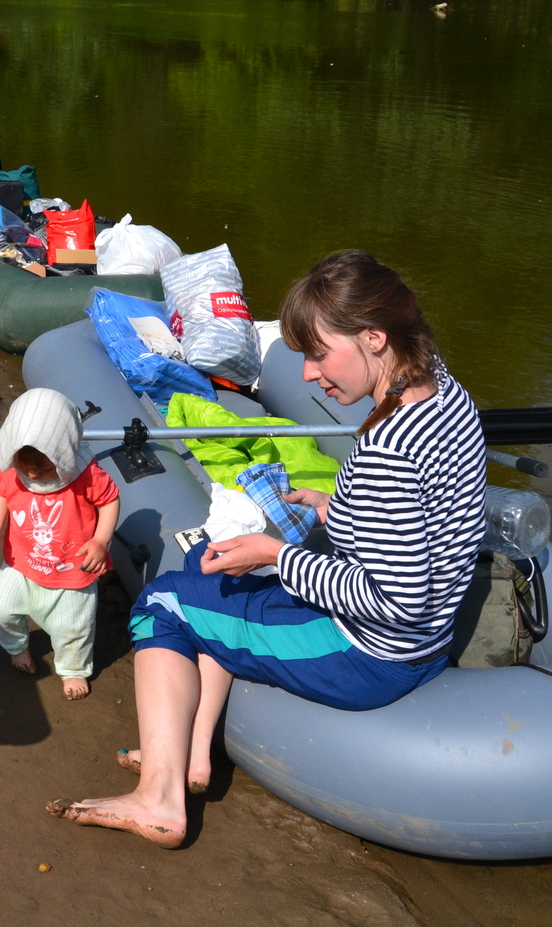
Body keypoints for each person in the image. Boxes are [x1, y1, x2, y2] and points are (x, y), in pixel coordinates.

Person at [46, 250, 487, 845]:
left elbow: (395, 599)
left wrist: (273, 555)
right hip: (427, 636)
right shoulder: (447, 394)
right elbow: (432, 521)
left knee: (164, 603)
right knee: (222, 593)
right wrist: (336, 507)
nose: (308, 374)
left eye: (318, 353)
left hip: (370, 654)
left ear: (375, 338)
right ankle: (193, 759)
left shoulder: (388, 449)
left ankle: (158, 801)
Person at [0, 387, 121, 701]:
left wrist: (100, 540)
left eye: (44, 469)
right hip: (22, 562)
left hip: (70, 568)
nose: (33, 474)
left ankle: (73, 669)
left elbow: (110, 500)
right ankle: (17, 647)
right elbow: (0, 492)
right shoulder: (14, 470)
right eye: (26, 467)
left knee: (73, 627)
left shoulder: (84, 474)